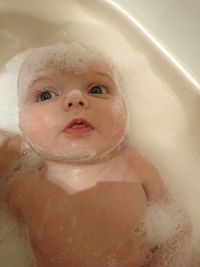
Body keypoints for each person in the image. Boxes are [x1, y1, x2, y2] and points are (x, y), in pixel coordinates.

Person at [6, 42, 191, 267]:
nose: (75, 99)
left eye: (97, 90)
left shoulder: (134, 166)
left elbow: (177, 226)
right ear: (22, 121)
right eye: (46, 95)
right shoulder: (23, 186)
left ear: (124, 108)